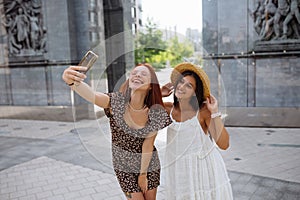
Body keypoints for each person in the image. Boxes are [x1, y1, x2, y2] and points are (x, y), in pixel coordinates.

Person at [62, 63, 171, 200]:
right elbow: (92, 95)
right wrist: (72, 82)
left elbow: (148, 145)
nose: (137, 75)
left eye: (144, 74)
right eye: (135, 73)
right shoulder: (116, 102)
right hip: (123, 166)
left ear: (150, 85)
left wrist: (143, 175)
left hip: (148, 164)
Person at [162, 62, 233, 199]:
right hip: (178, 173)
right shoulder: (167, 109)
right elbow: (138, 105)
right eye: (181, 82)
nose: (182, 87)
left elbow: (224, 144)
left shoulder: (202, 112)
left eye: (189, 86)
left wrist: (215, 112)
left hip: (204, 173)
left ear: (195, 92)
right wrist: (159, 92)